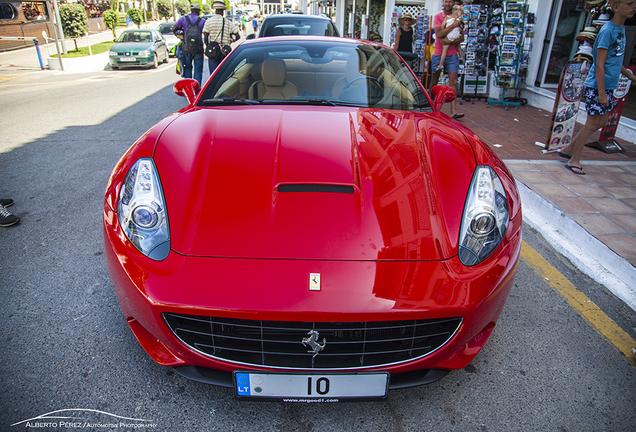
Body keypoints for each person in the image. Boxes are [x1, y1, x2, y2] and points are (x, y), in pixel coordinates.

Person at [558, 0, 636, 175]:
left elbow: (614, 59)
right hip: (597, 86)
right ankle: (574, 160)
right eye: (630, 3)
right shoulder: (607, 30)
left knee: (601, 122)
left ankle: (568, 149)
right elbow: (599, 64)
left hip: (608, 86)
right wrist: (601, 93)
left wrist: (628, 74)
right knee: (592, 123)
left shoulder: (620, 29)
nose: (634, 7)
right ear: (616, 7)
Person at [430, 0, 465, 119]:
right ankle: (430, 106)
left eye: (450, 2)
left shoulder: (459, 16)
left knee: (454, 82)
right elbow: (439, 34)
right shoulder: (438, 16)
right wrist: (453, 25)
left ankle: (453, 111)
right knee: (434, 80)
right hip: (439, 53)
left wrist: (449, 41)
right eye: (446, 1)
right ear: (443, 3)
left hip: (452, 54)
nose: (448, 4)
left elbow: (461, 38)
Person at [172, 3, 206, 85]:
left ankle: (188, 89)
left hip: (186, 48)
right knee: (198, 69)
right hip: (198, 49)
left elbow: (174, 29)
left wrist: (181, 37)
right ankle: (196, 89)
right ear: (198, 11)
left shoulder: (183, 19)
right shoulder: (202, 21)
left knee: (187, 68)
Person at [203, 1, 240, 74]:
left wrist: (208, 46)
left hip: (213, 51)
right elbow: (237, 36)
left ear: (215, 10)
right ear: (223, 11)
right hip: (225, 51)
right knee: (224, 74)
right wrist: (231, 40)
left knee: (214, 75)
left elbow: (205, 35)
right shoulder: (228, 22)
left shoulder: (209, 21)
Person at [436, 5, 463, 72]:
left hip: (450, 35)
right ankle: (461, 57)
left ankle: (441, 64)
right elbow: (461, 27)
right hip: (456, 34)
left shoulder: (448, 17)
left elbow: (442, 26)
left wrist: (443, 30)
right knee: (458, 44)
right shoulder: (459, 18)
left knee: (444, 50)